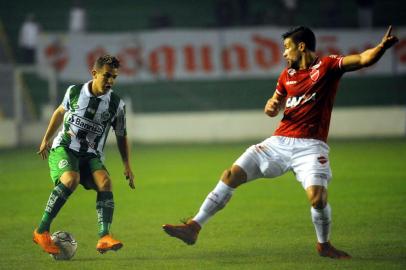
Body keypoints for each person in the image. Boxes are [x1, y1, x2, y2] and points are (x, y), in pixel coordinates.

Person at [163, 26, 398, 259]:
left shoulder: (327, 67)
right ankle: (193, 227)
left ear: (302, 46)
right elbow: (273, 104)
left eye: (287, 47)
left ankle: (324, 245)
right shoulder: (287, 75)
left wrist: (380, 47)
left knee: (318, 199)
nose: (284, 53)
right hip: (278, 142)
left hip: (310, 146)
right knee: (230, 175)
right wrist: (271, 107)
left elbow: (363, 59)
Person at [33, 55, 135, 255]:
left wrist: (127, 165)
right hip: (65, 147)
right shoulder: (74, 91)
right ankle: (41, 230)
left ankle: (104, 236)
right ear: (94, 74)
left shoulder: (116, 105)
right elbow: (59, 113)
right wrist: (46, 139)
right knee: (71, 179)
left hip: (90, 155)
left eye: (114, 77)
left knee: (105, 182)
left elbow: (122, 135)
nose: (110, 81)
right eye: (107, 76)